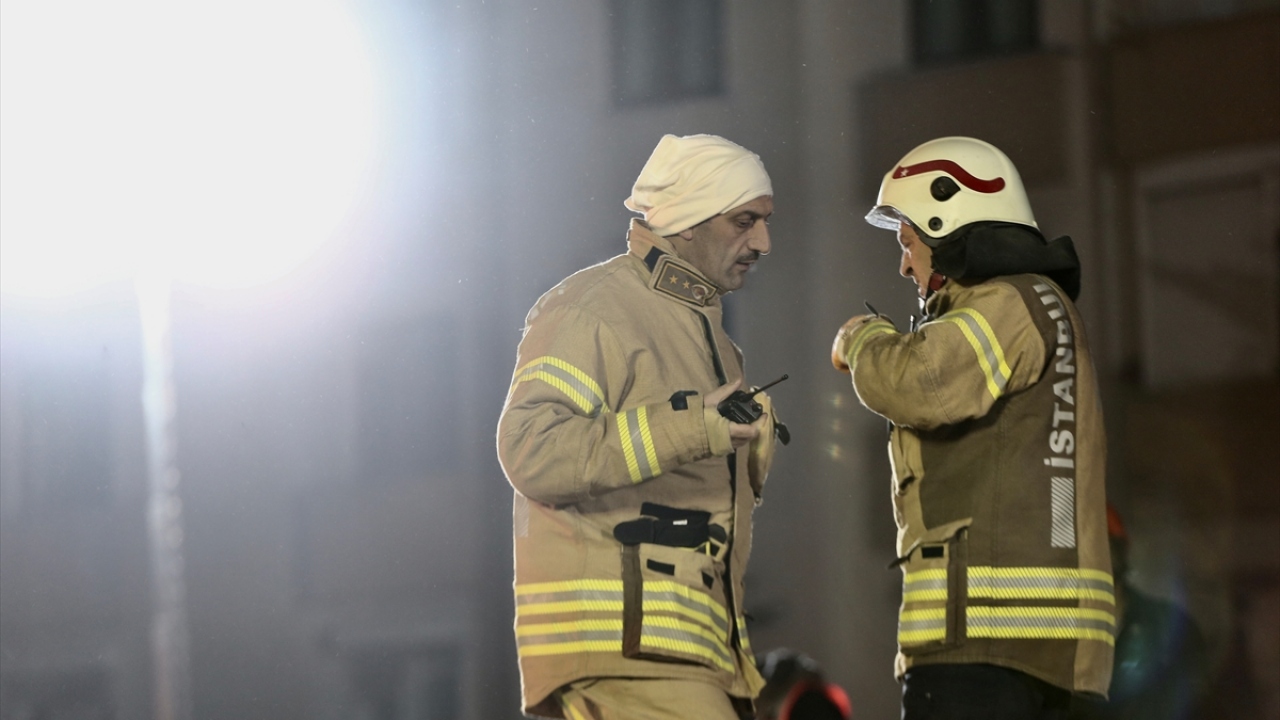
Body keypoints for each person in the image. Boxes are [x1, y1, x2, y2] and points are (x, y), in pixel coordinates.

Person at [498, 133, 784, 719]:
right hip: (624, 651)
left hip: (680, 654)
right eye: (744, 221)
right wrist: (691, 429)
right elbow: (531, 449)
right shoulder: (592, 308)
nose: (763, 242)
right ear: (687, 221)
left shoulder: (710, 339)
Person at [830, 136, 1114, 719]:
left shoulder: (1007, 303)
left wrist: (864, 340)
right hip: (1050, 656)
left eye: (909, 242)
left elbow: (921, 383)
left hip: (984, 649)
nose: (904, 262)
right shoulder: (1041, 304)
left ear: (947, 223)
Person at [1068, 506, 1209, 720]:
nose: (1089, 560)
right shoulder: (1051, 641)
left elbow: (1198, 704)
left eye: (1099, 546)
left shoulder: (1167, 631)